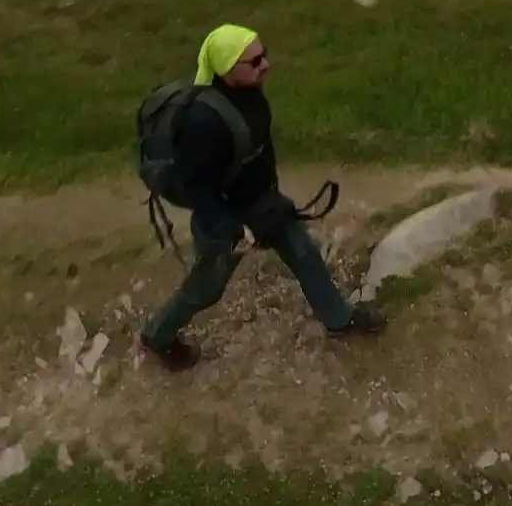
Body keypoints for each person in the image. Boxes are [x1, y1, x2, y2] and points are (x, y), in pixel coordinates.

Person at [137, 23, 386, 371]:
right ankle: (158, 336)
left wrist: (272, 195)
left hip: (260, 202)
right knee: (207, 289)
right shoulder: (202, 123)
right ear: (226, 69)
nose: (265, 65)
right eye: (254, 62)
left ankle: (339, 319)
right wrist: (233, 228)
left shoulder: (250, 96)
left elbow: (258, 150)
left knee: (304, 252)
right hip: (225, 219)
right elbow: (198, 187)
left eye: (264, 54)